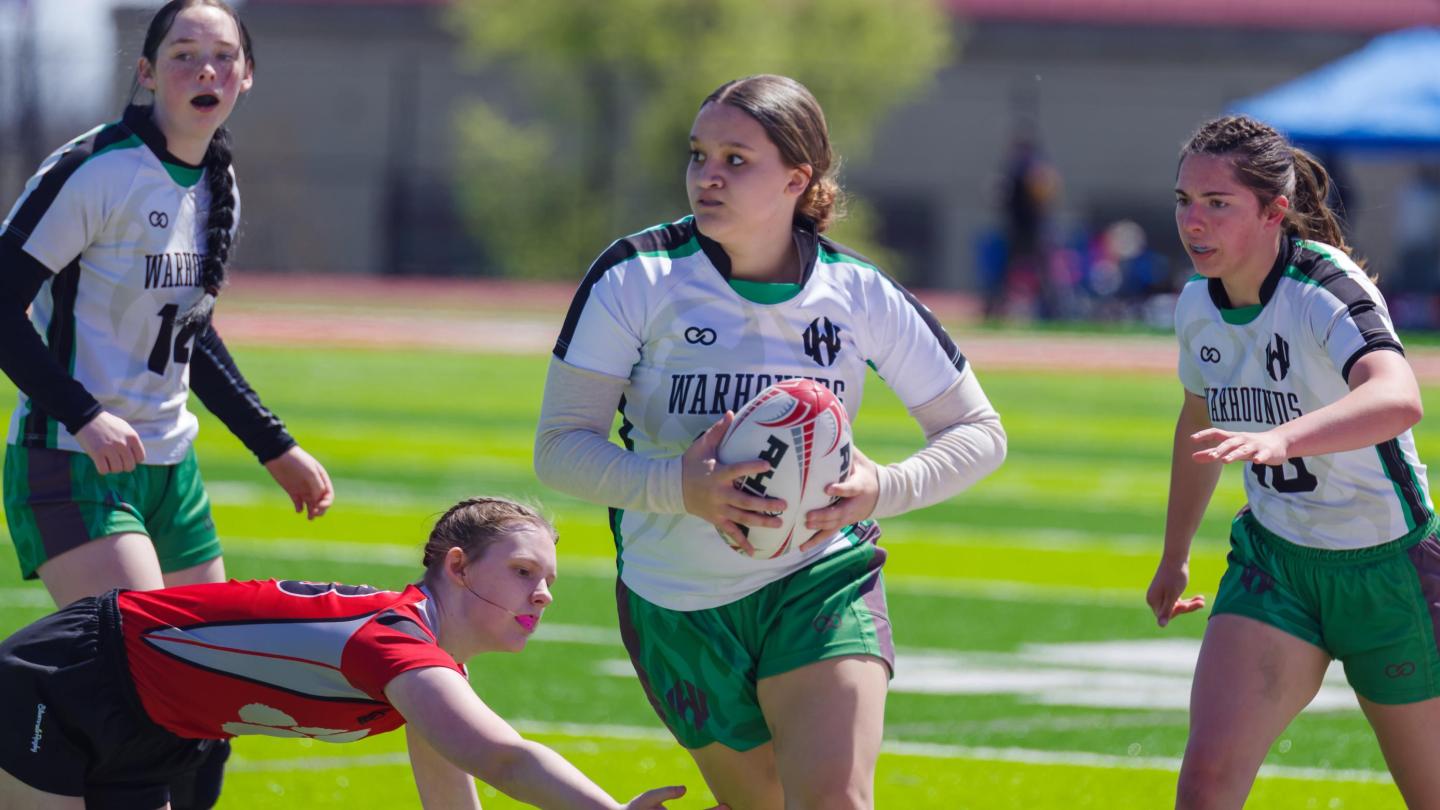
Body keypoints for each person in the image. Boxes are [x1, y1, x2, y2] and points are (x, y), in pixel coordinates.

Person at [534, 74, 1007, 808]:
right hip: (676, 598)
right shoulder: (639, 276)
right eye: (698, 155)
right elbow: (560, 446)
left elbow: (979, 432)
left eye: (735, 159)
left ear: (797, 178)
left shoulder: (857, 292)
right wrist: (680, 488)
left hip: (818, 577)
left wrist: (885, 488)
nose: (707, 175)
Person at [0, 3, 332, 805]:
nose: (205, 72)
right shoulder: (98, 169)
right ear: (146, 74)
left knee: (208, 695)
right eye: (184, 55)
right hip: (74, 464)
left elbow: (190, 335)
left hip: (168, 473)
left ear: (246, 77)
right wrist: (82, 410)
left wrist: (273, 445)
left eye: (222, 57)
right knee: (150, 677)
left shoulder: (218, 184)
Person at [0, 495, 711, 810]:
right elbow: (502, 757)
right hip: (69, 683)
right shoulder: (395, 644)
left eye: (548, 579)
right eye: (524, 573)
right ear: (457, 568)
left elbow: (454, 794)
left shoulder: (432, 670)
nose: (544, 594)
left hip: (157, 733)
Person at [1146, 114, 1440, 809]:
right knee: (1207, 783)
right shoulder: (1196, 304)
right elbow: (1200, 419)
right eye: (1185, 201)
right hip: (1274, 564)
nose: (1195, 222)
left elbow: (1399, 399)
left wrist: (1286, 438)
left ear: (1276, 212)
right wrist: (1174, 553)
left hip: (1386, 572)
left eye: (1219, 204)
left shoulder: (1323, 291)